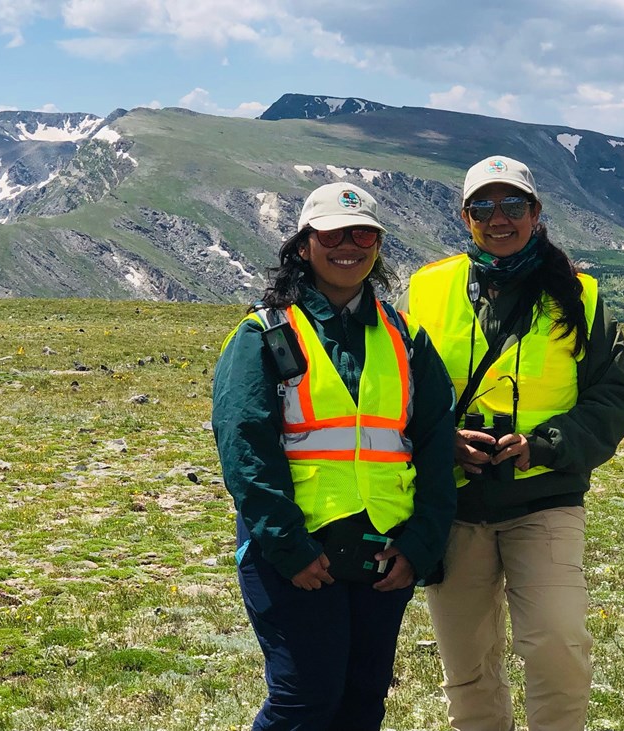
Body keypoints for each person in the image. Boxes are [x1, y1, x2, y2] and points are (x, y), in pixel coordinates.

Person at [403, 155, 624, 731]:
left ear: (535, 213)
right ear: (465, 217)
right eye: (483, 206)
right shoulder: (426, 289)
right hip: (454, 504)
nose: (499, 218)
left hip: (545, 498)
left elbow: (615, 396)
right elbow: (399, 391)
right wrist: (443, 443)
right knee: (467, 663)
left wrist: (545, 443)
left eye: (513, 205)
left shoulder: (579, 296)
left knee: (559, 646)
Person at [212, 182, 457, 731]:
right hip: (297, 553)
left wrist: (420, 546)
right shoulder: (264, 334)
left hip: (382, 551)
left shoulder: (406, 337)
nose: (349, 245)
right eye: (332, 234)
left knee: (362, 698)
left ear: (378, 245)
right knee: (305, 700)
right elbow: (245, 450)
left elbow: (438, 447)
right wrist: (288, 548)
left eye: (364, 233)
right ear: (304, 245)